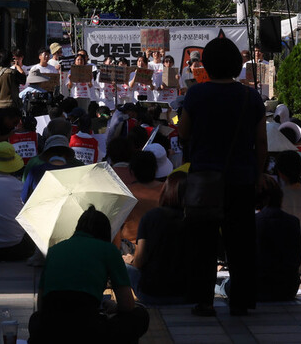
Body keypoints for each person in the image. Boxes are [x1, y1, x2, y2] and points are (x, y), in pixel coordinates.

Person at [177, 36, 267, 317]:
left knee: (202, 242)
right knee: (240, 242)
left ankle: (204, 301)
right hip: (241, 179)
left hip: (204, 178)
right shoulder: (250, 96)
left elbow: (183, 133)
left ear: (206, 64)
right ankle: (240, 301)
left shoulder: (196, 94)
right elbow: (261, 141)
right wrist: (259, 173)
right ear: (238, 64)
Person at [27, 206, 150, 344]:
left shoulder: (54, 250)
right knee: (139, 316)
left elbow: (41, 306)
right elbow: (127, 305)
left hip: (49, 331)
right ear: (105, 233)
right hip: (88, 331)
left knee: (35, 319)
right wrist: (114, 308)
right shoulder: (108, 249)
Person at [127, 171, 189, 305]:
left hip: (151, 293)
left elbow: (140, 260)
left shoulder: (151, 217)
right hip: (187, 293)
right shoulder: (194, 221)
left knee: (123, 267)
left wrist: (130, 261)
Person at [251, 176, 301, 301]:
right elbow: (296, 257)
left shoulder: (253, 222)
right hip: (288, 289)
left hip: (258, 288)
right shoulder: (293, 222)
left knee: (222, 285)